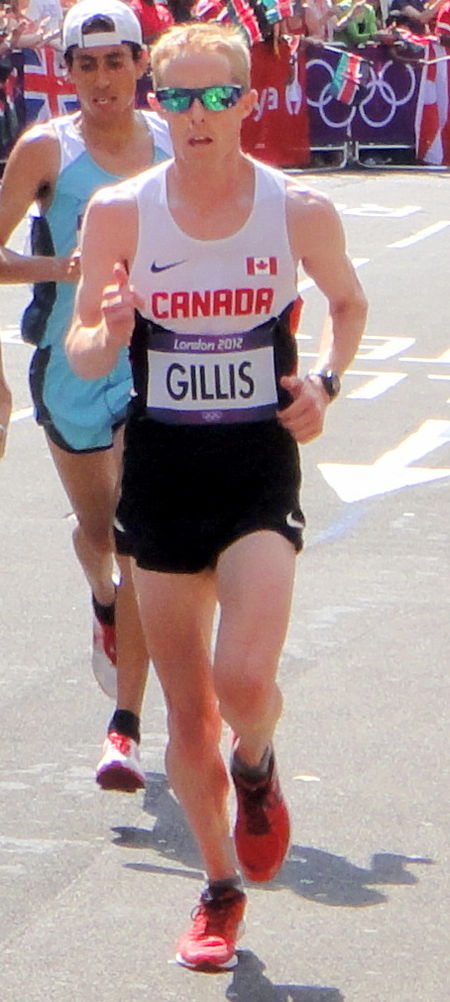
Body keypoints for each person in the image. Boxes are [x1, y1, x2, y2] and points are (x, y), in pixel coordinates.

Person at [66, 21, 368, 971]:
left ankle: (260, 762)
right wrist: (107, 334)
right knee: (187, 710)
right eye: (178, 98)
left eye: (214, 97)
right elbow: (81, 349)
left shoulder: (297, 209)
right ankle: (220, 887)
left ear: (245, 102)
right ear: (158, 104)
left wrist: (324, 382)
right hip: (161, 468)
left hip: (255, 468)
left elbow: (348, 303)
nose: (195, 116)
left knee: (244, 685)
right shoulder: (120, 211)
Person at [0, 0, 173, 790]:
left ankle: (125, 729)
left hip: (153, 364)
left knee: (140, 536)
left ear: (143, 64)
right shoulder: (47, 149)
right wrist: (59, 271)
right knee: (101, 537)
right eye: (87, 64)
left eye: (118, 62)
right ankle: (104, 604)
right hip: (68, 368)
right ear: (67, 72)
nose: (104, 79)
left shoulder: (174, 142)